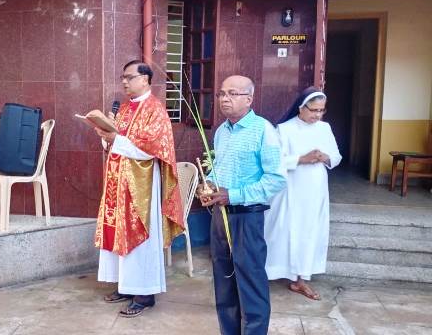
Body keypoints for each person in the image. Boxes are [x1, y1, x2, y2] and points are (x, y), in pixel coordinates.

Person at [94, 60, 185, 317]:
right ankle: (125, 284)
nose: (124, 82)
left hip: (141, 187)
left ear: (145, 79)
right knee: (116, 232)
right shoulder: (123, 108)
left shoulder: (155, 110)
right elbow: (116, 143)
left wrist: (117, 140)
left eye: (129, 77)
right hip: (117, 183)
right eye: (123, 77)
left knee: (140, 237)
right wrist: (107, 137)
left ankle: (144, 294)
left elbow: (153, 148)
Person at [197, 75, 286, 334]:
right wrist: (209, 186)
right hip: (219, 214)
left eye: (233, 94)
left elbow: (276, 180)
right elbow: (218, 171)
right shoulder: (222, 131)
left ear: (249, 99)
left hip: (247, 216)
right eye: (222, 93)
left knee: (250, 282)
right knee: (224, 278)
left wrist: (232, 195)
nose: (225, 98)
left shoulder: (263, 130)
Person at [264, 86, 342, 301]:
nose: (317, 115)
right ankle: (269, 273)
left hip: (315, 190)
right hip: (290, 190)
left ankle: (301, 280)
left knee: (309, 233)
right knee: (282, 230)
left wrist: (324, 156)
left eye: (321, 111)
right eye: (313, 110)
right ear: (301, 107)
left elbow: (336, 157)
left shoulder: (324, 128)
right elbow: (275, 160)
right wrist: (301, 159)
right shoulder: (284, 129)